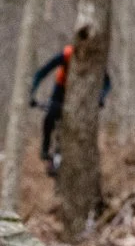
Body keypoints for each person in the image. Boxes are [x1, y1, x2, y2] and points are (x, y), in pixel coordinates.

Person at [30, 45, 111, 173]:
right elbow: (42, 72)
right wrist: (31, 92)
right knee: (50, 116)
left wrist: (101, 97)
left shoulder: (94, 59)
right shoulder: (67, 55)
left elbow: (107, 82)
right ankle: (45, 148)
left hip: (80, 92)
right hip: (60, 89)